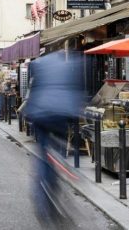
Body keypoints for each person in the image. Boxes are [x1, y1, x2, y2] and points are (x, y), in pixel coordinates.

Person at [25, 50, 85, 224]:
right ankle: (55, 178)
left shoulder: (38, 64)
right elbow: (76, 90)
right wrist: (76, 112)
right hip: (62, 114)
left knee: (44, 154)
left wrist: (30, 112)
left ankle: (42, 194)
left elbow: (32, 88)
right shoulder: (70, 64)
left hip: (41, 114)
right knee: (58, 149)